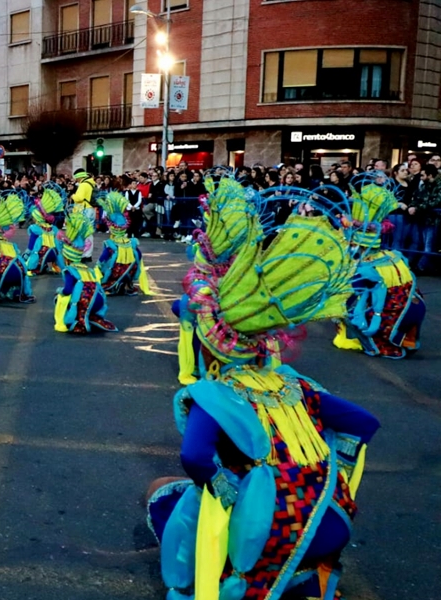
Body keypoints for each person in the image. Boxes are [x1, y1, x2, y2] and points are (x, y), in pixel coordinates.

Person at [146, 197, 380, 600]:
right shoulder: (298, 386)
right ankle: (310, 576)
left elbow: (196, 459)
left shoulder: (216, 395)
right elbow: (364, 424)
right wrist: (328, 470)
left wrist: (230, 493)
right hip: (332, 517)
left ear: (213, 347)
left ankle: (225, 579)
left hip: (268, 533)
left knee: (164, 496)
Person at [334, 183, 426, 358]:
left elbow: (347, 299)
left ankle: (372, 341)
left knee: (348, 307)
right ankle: (407, 339)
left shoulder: (364, 267)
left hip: (397, 315)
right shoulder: (395, 257)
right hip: (417, 308)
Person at [54, 209, 116, 334]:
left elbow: (67, 290)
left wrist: (60, 291)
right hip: (99, 302)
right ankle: (93, 315)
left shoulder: (70, 270)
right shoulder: (89, 270)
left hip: (85, 302)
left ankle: (73, 318)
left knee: (60, 297)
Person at [96, 192, 151, 296]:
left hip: (114, 274)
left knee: (103, 265)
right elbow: (139, 258)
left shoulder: (110, 244)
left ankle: (112, 284)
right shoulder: (132, 243)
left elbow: (101, 261)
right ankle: (126, 284)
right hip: (129, 275)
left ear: (111, 228)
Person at [23, 186, 64, 276]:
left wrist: (24, 258)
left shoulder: (35, 228)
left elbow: (30, 247)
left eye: (33, 217)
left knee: (33, 253)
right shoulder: (53, 228)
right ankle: (55, 266)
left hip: (42, 254)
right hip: (54, 254)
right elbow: (60, 244)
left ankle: (33, 268)